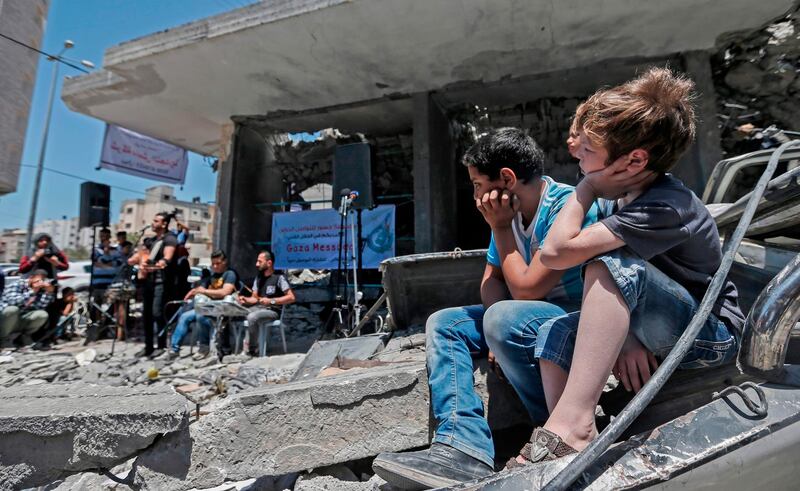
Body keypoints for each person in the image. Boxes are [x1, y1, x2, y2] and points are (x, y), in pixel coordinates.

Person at [519, 68, 745, 463]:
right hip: (658, 320)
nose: (575, 153)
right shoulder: (619, 195)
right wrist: (626, 339)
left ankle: (574, 427)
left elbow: (555, 254)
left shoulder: (665, 206)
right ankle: (559, 438)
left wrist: (586, 186)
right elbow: (559, 254)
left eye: (587, 150)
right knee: (554, 332)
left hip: (709, 333)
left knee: (610, 264)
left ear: (634, 160)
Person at [372, 128, 598, 489]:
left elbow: (526, 290)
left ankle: (558, 425)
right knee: (445, 322)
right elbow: (491, 281)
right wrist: (492, 337)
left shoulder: (563, 206)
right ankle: (464, 448)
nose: (476, 195)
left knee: (504, 316)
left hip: (572, 319)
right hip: (522, 317)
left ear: (506, 179)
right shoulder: (508, 214)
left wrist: (501, 227)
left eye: (477, 184)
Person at [168, 250, 238, 360]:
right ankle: (174, 349)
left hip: (223, 310)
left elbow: (225, 292)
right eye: (213, 264)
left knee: (200, 315)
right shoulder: (212, 277)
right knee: (184, 316)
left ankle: (204, 347)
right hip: (209, 307)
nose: (215, 266)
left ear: (225, 262)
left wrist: (204, 291)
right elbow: (200, 289)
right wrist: (193, 292)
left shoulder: (230, 274)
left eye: (218, 263)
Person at [128, 212, 178, 358]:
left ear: (164, 224)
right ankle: (148, 346)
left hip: (162, 282)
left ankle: (161, 345)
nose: (153, 223)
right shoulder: (151, 240)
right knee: (147, 315)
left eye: (156, 221)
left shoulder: (170, 239)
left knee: (157, 313)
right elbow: (143, 254)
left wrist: (159, 264)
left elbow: (167, 258)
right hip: (148, 282)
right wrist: (135, 259)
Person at [238, 250, 295, 357]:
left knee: (252, 317)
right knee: (241, 312)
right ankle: (247, 346)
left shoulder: (279, 277)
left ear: (269, 263)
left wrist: (271, 301)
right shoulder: (259, 278)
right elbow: (254, 299)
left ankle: (252, 349)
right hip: (259, 308)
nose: (256, 264)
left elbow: (291, 297)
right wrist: (245, 299)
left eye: (259, 261)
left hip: (272, 311)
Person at [0, 269, 55, 349]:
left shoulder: (39, 290)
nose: (40, 283)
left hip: (19, 319)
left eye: (43, 281)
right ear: (31, 278)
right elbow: (12, 302)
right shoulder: (17, 284)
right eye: (39, 280)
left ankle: (23, 337)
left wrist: (48, 293)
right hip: (5, 319)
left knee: (42, 314)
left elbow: (40, 306)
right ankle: (3, 340)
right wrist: (31, 292)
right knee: (12, 309)